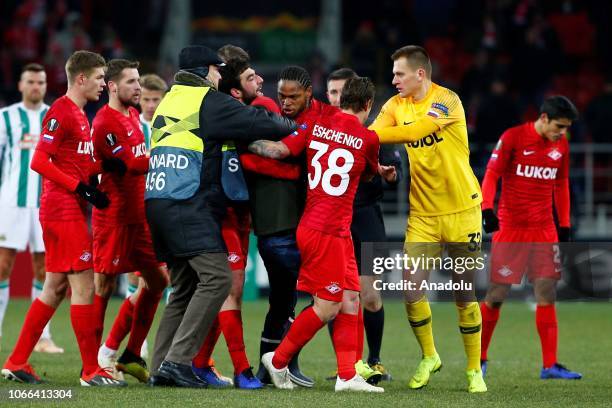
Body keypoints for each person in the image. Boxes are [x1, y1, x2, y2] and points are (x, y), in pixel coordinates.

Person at [146, 45, 297, 388]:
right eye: (217, 70)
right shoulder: (207, 102)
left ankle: (160, 367)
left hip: (157, 202)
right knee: (217, 279)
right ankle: (178, 362)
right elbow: (260, 121)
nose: (219, 76)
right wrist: (294, 126)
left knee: (184, 287)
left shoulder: (170, 100)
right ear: (204, 71)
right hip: (186, 202)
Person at [2, 50, 125, 386]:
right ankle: (90, 371)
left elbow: (77, 165)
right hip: (62, 210)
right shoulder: (61, 111)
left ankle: (16, 361)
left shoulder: (80, 115)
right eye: (100, 78)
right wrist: (81, 190)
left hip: (65, 208)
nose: (104, 84)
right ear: (81, 78)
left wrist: (102, 169)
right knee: (83, 285)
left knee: (54, 288)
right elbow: (39, 161)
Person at [255, 76, 384, 393]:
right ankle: (279, 359)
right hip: (325, 230)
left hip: (333, 229)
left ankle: (347, 376)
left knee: (351, 299)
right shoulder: (368, 137)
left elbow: (284, 150)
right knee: (327, 306)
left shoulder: (317, 123)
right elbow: (367, 173)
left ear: (341, 100)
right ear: (368, 104)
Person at [369, 45, 487, 393]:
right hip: (422, 213)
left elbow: (412, 133)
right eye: (393, 74)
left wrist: (365, 135)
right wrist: (375, 160)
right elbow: (377, 132)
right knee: (410, 288)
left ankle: (472, 369)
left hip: (463, 210)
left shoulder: (447, 100)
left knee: (464, 293)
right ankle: (430, 355)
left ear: (420, 74)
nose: (393, 81)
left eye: (399, 74)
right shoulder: (395, 105)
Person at [479, 95, 582, 380]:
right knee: (497, 294)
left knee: (547, 292)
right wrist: (487, 208)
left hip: (543, 229)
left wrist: (564, 225)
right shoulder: (513, 137)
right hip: (511, 229)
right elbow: (492, 174)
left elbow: (560, 184)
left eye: (566, 128)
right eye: (559, 126)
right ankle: (480, 358)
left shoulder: (561, 145)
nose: (562, 132)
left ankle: (549, 365)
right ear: (544, 118)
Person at [90, 59, 169, 384]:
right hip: (115, 218)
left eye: (139, 81)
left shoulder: (133, 116)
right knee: (104, 287)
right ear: (112, 86)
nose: (139, 88)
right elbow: (132, 165)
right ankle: (93, 364)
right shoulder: (105, 121)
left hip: (141, 216)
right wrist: (169, 156)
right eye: (132, 82)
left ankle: (132, 354)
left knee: (159, 282)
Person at [325, 67, 402, 382]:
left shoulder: (375, 133)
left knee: (368, 295)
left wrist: (390, 173)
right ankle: (348, 365)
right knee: (338, 297)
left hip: (367, 218)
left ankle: (374, 360)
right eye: (331, 92)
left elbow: (394, 169)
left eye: (341, 92)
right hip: (332, 220)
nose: (336, 98)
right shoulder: (322, 131)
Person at [0, 63, 63, 354]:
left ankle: (43, 337)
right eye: (31, 82)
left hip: (45, 204)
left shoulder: (54, 116)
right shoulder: (5, 118)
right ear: (21, 85)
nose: (36, 86)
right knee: (2, 267)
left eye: (41, 81)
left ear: (46, 85)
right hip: (10, 203)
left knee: (45, 269)